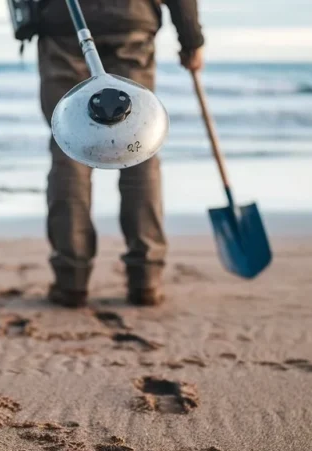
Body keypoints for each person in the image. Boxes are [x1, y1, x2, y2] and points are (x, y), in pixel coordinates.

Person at [37, 0, 204, 308]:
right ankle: (146, 278)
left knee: (69, 148)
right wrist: (191, 40)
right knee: (139, 144)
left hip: (65, 24)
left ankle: (70, 279)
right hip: (130, 20)